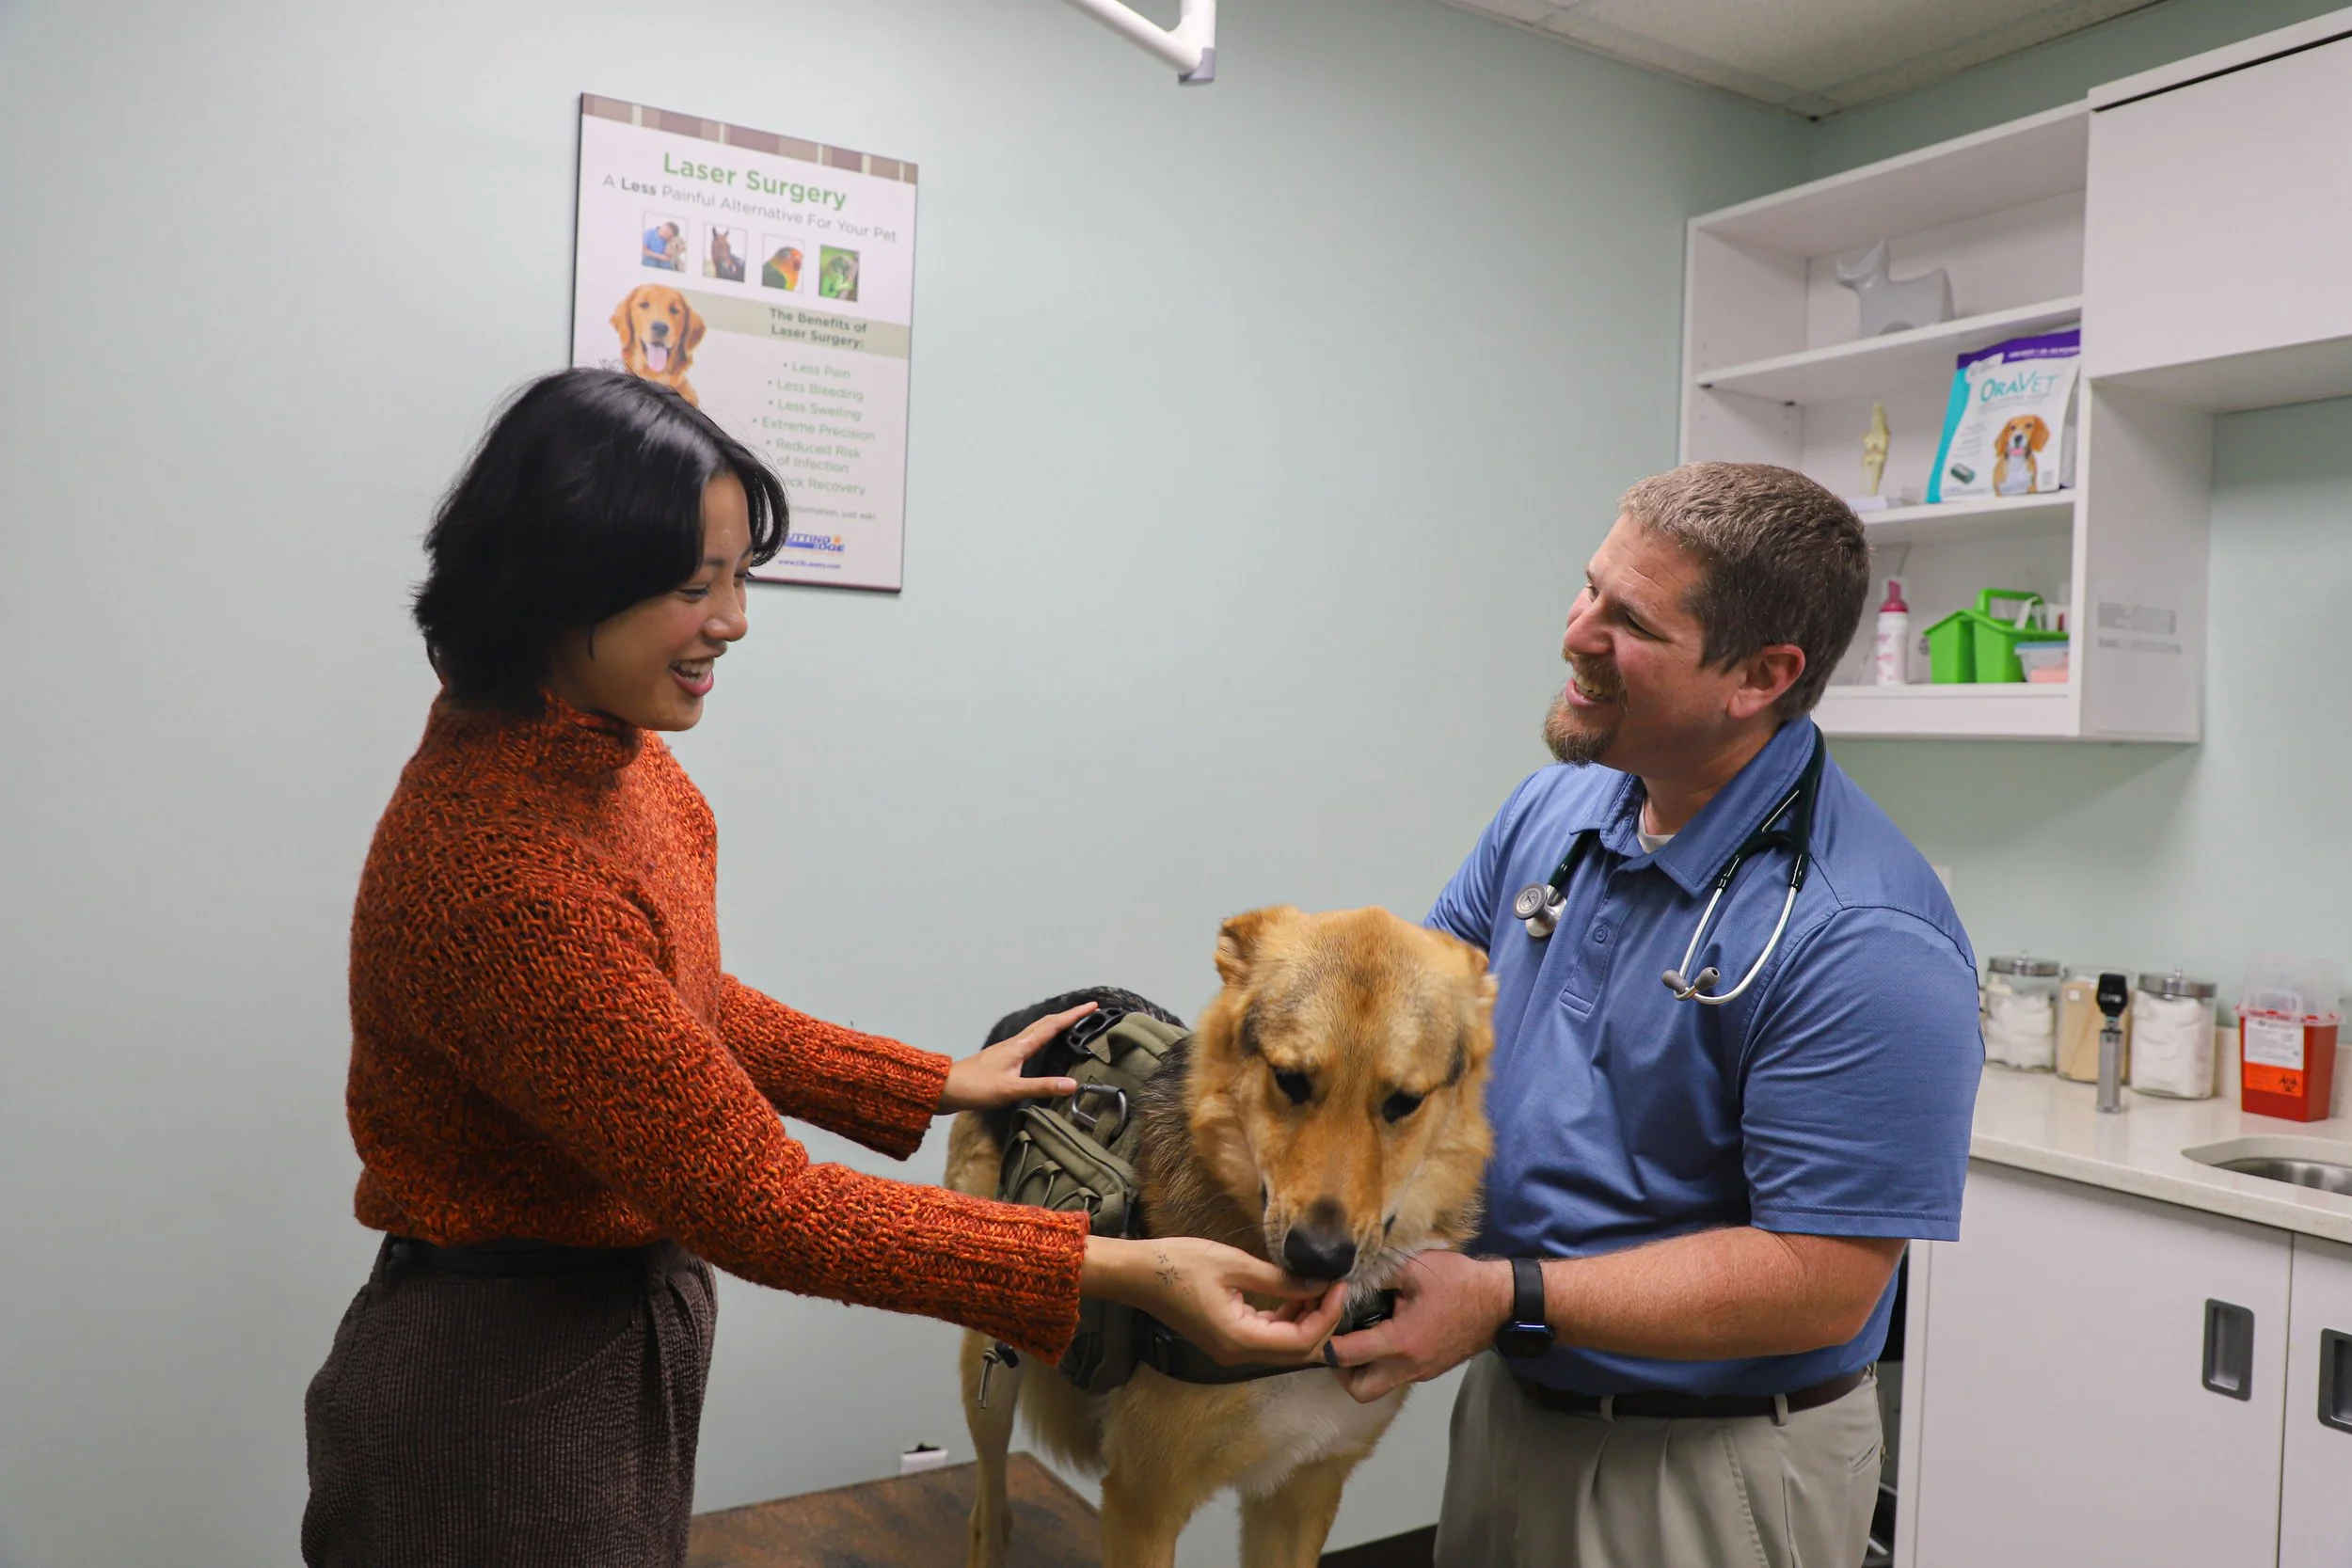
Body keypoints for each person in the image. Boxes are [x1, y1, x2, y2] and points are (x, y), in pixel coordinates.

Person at [301, 368, 1344, 1568]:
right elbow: (767, 1204)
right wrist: (1127, 1269)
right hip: (498, 1390)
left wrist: (926, 1081)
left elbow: (661, 1001)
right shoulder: (502, 869)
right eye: (697, 584)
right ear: (559, 582)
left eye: (739, 577)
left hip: (605, 1329)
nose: (734, 619)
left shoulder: (610, 759)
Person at [1327, 463, 1982, 1567]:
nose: (1575, 632)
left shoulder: (1863, 935)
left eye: (1628, 619)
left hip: (1709, 1467)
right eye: (1588, 589)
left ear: (1761, 675)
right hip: (1509, 1397)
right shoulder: (1560, 801)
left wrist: (1503, 1293)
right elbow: (1421, 1006)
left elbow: (1821, 1279)